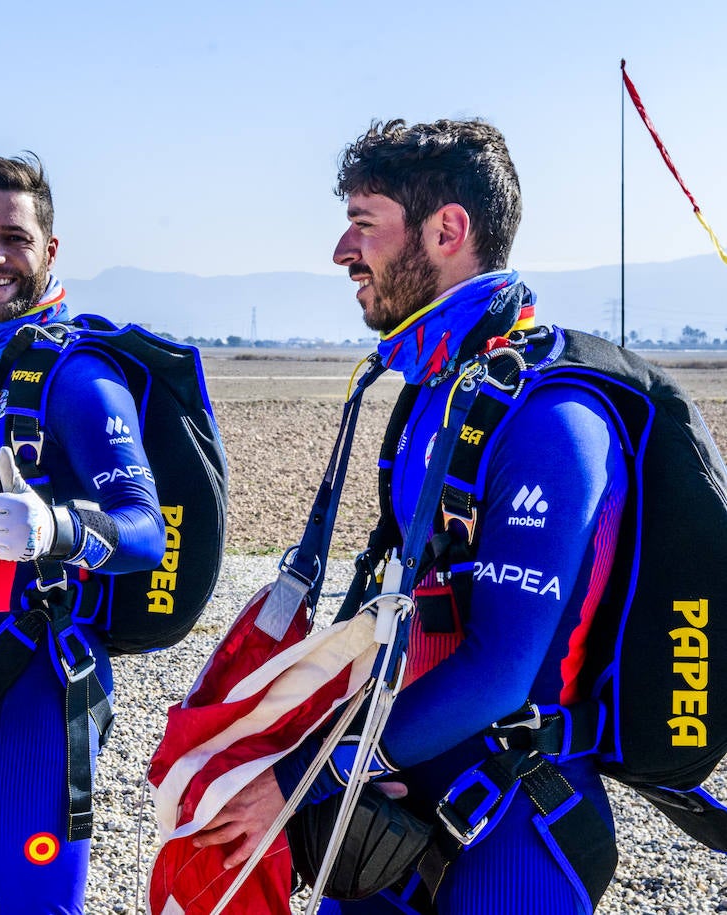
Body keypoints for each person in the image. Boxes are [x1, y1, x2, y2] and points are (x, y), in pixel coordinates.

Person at [196, 120, 625, 914]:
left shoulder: (549, 416)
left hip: (512, 828)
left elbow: (500, 670)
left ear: (447, 229)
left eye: (364, 223)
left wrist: (301, 780)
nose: (340, 251)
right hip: (391, 799)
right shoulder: (440, 391)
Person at [0, 154, 165, 914]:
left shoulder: (78, 377)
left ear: (50, 249)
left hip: (33, 691)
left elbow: (144, 532)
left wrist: (57, 528)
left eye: (13, 238)